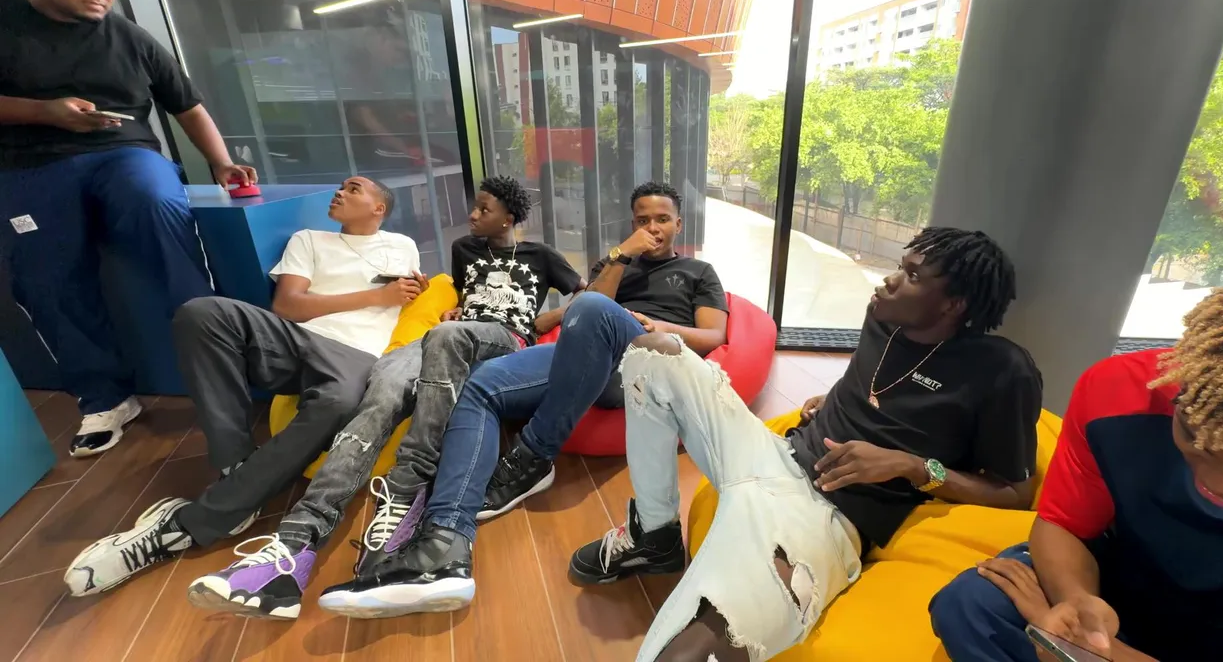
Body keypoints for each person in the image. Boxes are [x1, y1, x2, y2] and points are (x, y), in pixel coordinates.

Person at [573, 227, 1044, 661]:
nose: (889, 280)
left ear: (953, 305)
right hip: (770, 452)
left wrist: (913, 466)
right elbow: (872, 385)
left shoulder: (1002, 371)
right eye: (900, 266)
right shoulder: (882, 317)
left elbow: (1014, 491)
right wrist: (830, 399)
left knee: (689, 655)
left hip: (827, 516)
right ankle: (654, 534)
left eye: (913, 276)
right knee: (654, 354)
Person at [313, 181, 730, 618]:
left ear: (678, 224)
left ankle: (532, 456)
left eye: (662, 219)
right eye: (642, 220)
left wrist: (657, 326)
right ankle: (443, 545)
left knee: (593, 309)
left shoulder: (699, 272)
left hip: (646, 357)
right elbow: (589, 306)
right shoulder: (617, 263)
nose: (652, 227)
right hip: (589, 355)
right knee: (480, 386)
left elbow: (713, 335)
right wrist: (622, 255)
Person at [183, 176, 583, 620]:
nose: (472, 215)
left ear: (508, 218)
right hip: (448, 335)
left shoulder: (541, 255)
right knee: (386, 383)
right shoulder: (464, 250)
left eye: (484, 209)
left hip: (505, 338)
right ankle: (293, 548)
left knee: (446, 338)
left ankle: (406, 489)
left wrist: (540, 320)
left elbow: (584, 295)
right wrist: (455, 310)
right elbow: (457, 294)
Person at [63, 176, 421, 597]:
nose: (339, 192)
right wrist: (374, 297)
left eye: (354, 188)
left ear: (379, 208)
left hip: (357, 354)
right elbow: (287, 306)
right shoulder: (309, 240)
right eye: (341, 186)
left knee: (341, 402)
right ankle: (237, 468)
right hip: (295, 338)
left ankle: (194, 521)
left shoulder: (402, 246)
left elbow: (415, 297)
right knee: (201, 313)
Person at [930, 265, 1223, 662]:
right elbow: (1063, 524)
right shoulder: (1119, 393)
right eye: (1197, 443)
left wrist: (1100, 655)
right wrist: (1076, 604)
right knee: (974, 603)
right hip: (1132, 587)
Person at [0, 0, 258, 457]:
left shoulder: (129, 37)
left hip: (124, 152)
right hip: (28, 163)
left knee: (154, 203)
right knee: (44, 274)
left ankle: (220, 369)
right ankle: (104, 398)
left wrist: (221, 162)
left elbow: (188, 106)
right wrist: (45, 112)